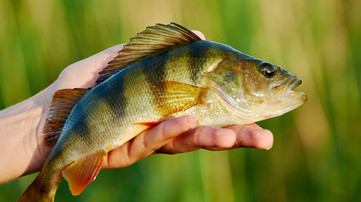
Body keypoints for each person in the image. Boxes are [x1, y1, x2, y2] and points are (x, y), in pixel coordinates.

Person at [0, 31, 273, 184]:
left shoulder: (212, 73)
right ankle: (41, 193)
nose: (271, 76)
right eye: (266, 72)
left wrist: (35, 130)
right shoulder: (210, 66)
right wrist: (39, 127)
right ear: (229, 73)